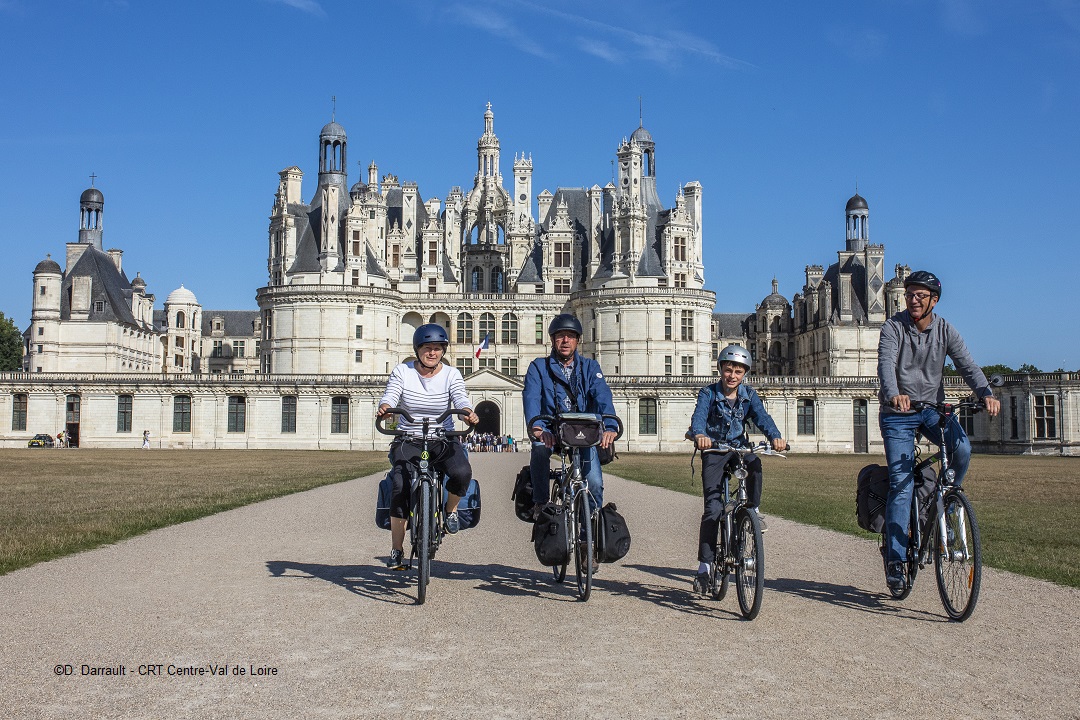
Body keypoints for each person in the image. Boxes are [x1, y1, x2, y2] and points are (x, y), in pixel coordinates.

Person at [877, 270, 1000, 595]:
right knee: (901, 486)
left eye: (920, 295)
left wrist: (985, 392)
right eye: (909, 295)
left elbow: (967, 365)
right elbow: (885, 366)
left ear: (934, 300)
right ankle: (895, 559)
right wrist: (893, 394)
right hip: (897, 413)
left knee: (962, 449)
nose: (913, 300)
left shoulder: (945, 330)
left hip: (932, 410)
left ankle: (947, 497)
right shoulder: (893, 327)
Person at [376, 323, 479, 570]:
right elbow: (392, 394)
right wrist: (385, 408)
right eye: (427, 348)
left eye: (437, 348)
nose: (432, 353)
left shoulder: (452, 374)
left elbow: (460, 397)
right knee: (400, 483)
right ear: (417, 350)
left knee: (461, 472)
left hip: (442, 438)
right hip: (409, 438)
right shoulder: (403, 371)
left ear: (443, 351)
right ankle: (397, 549)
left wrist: (466, 413)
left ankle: (450, 509)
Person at [688, 343, 785, 595]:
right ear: (720, 369)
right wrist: (700, 434)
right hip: (715, 450)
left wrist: (775, 437)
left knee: (755, 464)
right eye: (728, 370)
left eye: (738, 372)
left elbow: (762, 417)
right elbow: (699, 417)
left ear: (744, 374)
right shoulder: (708, 393)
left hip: (737, 448)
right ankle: (704, 566)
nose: (732, 376)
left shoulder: (749, 395)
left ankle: (752, 509)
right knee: (713, 509)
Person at [522, 313, 618, 519]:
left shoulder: (590, 367)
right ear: (552, 340)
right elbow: (531, 398)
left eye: (570, 336)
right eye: (560, 336)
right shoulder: (538, 367)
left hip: (582, 430)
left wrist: (610, 424)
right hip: (551, 430)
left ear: (577, 340)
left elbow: (602, 395)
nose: (565, 341)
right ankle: (541, 502)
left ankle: (590, 527)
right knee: (539, 451)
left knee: (593, 481)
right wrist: (537, 428)